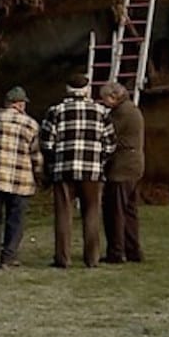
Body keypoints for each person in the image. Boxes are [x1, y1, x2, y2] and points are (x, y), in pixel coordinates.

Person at [41, 73, 116, 268]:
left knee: (63, 215)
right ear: (87, 90)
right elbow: (110, 143)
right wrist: (100, 160)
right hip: (92, 171)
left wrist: (52, 163)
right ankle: (92, 258)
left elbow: (47, 143)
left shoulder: (55, 111)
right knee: (91, 213)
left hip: (63, 170)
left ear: (67, 89)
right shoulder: (101, 112)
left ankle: (62, 258)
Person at [0, 86, 45, 268]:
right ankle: (9, 255)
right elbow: (35, 154)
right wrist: (38, 173)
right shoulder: (30, 124)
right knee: (16, 218)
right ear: (19, 104)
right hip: (20, 179)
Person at [98, 82, 145, 264]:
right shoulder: (132, 110)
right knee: (129, 211)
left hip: (121, 169)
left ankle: (116, 251)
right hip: (134, 166)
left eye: (105, 99)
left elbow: (107, 135)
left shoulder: (122, 113)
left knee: (114, 211)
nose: (104, 103)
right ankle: (133, 250)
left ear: (114, 97)